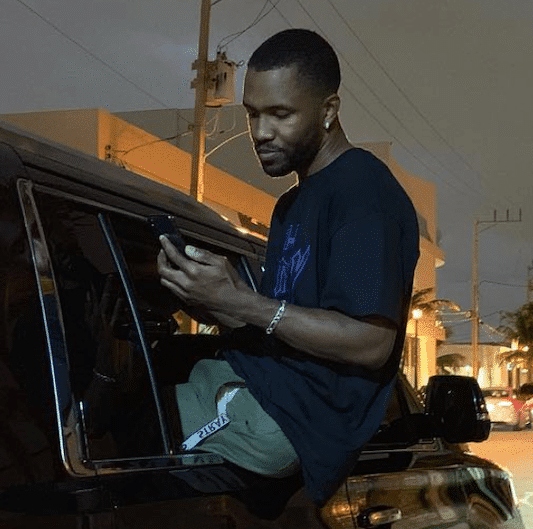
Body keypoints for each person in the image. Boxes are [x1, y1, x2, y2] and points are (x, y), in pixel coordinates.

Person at [156, 28, 420, 505]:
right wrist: (209, 298)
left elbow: (370, 343)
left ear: (328, 110)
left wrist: (243, 303)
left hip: (282, 418)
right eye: (252, 114)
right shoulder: (291, 205)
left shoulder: (363, 191)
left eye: (280, 114)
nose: (260, 132)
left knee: (116, 417)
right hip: (253, 385)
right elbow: (282, 327)